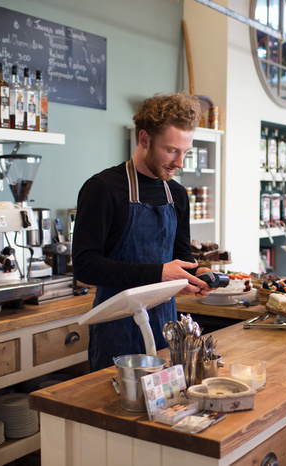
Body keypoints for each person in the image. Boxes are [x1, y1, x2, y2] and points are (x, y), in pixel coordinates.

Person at [73, 92, 212, 372]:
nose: (179, 162)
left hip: (166, 327)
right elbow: (85, 267)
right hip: (115, 330)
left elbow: (180, 258)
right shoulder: (103, 188)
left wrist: (196, 278)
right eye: (172, 150)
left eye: (186, 152)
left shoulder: (177, 194)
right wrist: (160, 274)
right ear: (144, 139)